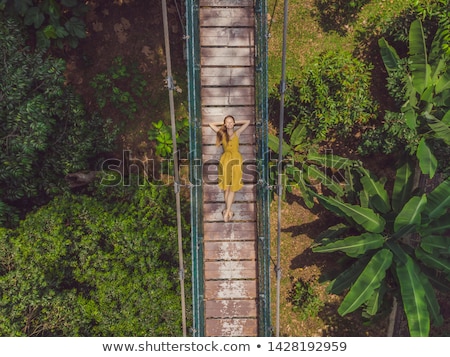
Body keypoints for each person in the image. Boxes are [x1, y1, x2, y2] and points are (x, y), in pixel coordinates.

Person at [209, 115, 250, 222]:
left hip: (236, 160)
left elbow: (247, 122)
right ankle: (228, 211)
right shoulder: (222, 134)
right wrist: (223, 124)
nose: (229, 124)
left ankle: (227, 211)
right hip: (226, 160)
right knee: (227, 186)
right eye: (227, 122)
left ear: (234, 123)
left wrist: (236, 121)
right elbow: (211, 124)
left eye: (231, 122)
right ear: (225, 124)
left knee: (233, 186)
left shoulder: (237, 133)